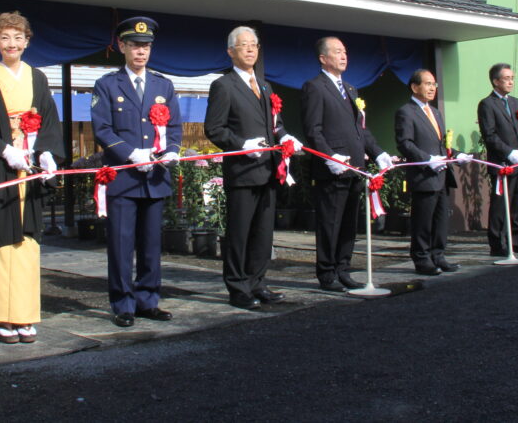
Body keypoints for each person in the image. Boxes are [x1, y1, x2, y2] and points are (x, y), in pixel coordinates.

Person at [0, 12, 63, 344]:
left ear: (27, 41)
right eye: (5, 38)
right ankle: (1, 317)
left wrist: (47, 152)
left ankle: (25, 316)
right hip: (1, 167)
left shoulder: (38, 78)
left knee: (27, 244)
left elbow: (48, 118)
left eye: (18, 38)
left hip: (30, 166)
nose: (12, 44)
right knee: (2, 243)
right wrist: (4, 150)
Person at [90, 17, 182, 327]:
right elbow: (102, 129)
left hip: (154, 178)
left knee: (151, 245)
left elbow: (174, 127)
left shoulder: (163, 85)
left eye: (146, 47)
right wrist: (131, 153)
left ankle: (148, 300)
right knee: (121, 243)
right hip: (124, 177)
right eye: (134, 46)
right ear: (122, 47)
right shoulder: (107, 85)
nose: (140, 52)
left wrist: (171, 151)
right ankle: (123, 303)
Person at [203, 26, 300, 310]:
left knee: (263, 233)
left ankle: (258, 282)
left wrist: (284, 136)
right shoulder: (223, 85)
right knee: (240, 233)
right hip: (243, 172)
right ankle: (238, 287)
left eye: (254, 45)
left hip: (269, 171)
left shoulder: (265, 85)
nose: (250, 49)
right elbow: (214, 128)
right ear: (230, 51)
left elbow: (275, 123)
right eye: (243, 45)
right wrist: (240, 144)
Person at [301, 37, 392, 291]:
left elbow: (359, 130)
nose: (344, 56)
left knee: (349, 224)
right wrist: (329, 157)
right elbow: (313, 130)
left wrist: (378, 153)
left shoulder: (351, 89)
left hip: (355, 169)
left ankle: (344, 268)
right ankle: (327, 273)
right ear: (323, 58)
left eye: (345, 52)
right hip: (333, 170)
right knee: (330, 222)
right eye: (337, 52)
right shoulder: (314, 87)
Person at [394, 69, 470, 275]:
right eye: (427, 84)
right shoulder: (406, 112)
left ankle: (438, 256)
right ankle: (422, 259)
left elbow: (441, 144)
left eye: (434, 84)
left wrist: (457, 154)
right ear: (414, 87)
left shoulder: (435, 112)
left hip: (442, 174)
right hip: (424, 175)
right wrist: (427, 160)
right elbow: (405, 143)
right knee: (423, 221)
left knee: (440, 220)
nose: (432, 88)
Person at [478, 63, 518, 256]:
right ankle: (497, 244)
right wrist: (508, 152)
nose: (510, 82)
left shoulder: (515, 102)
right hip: (502, 163)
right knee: (500, 205)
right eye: (506, 78)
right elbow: (489, 135)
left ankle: (517, 240)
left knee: (517, 204)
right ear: (496, 81)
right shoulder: (487, 104)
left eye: (512, 78)